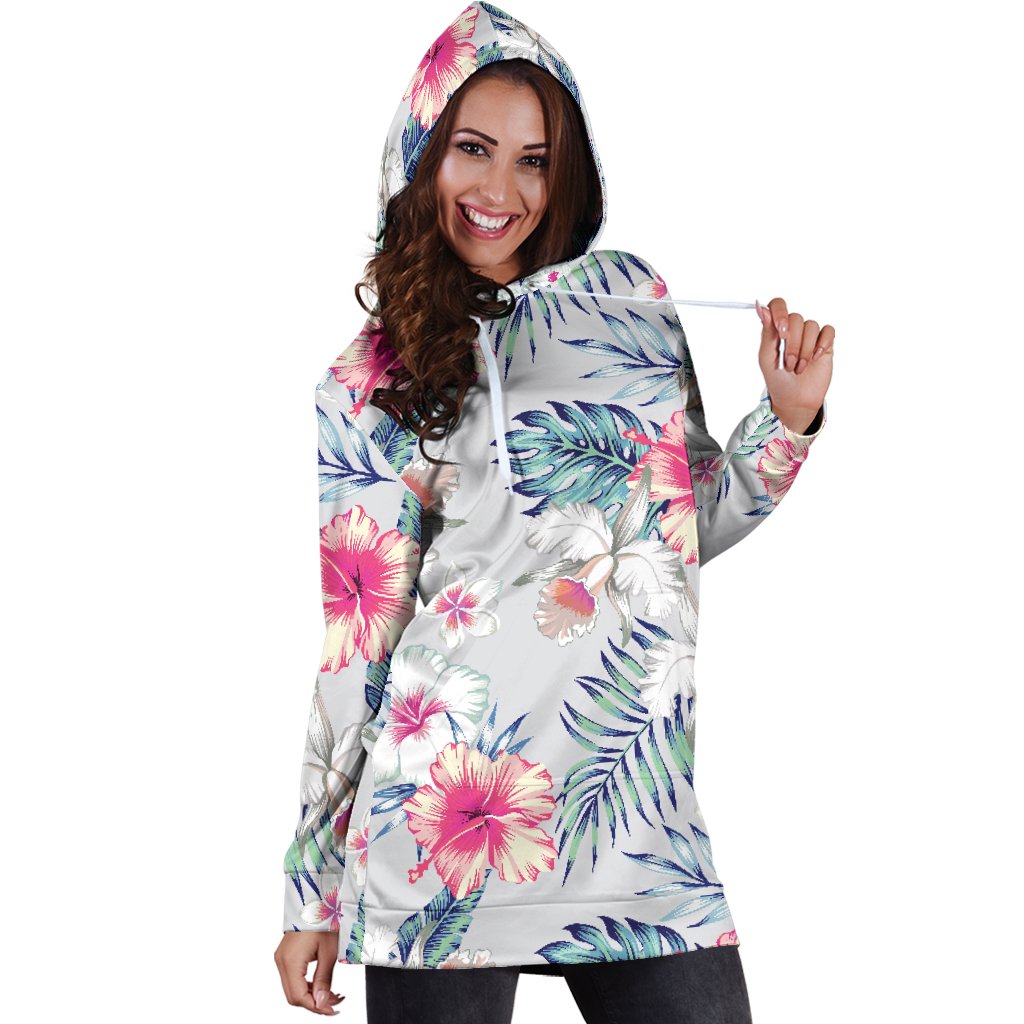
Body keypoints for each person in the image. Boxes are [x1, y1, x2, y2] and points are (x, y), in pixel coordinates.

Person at [274, 3, 834, 1021]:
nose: (500, 192)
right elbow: (358, 646)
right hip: (440, 841)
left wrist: (786, 420)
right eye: (472, 149)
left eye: (533, 161)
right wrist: (311, 890)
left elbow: (679, 531)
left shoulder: (630, 304)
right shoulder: (366, 382)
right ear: (421, 154)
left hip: (637, 827)